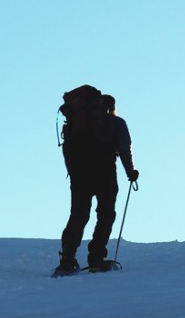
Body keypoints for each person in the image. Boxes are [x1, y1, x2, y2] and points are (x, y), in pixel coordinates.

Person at [56, 93, 138, 274]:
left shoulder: (78, 126)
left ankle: (67, 259)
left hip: (80, 174)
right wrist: (131, 172)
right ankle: (96, 258)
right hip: (105, 173)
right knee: (106, 214)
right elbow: (124, 147)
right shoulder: (116, 123)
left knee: (78, 215)